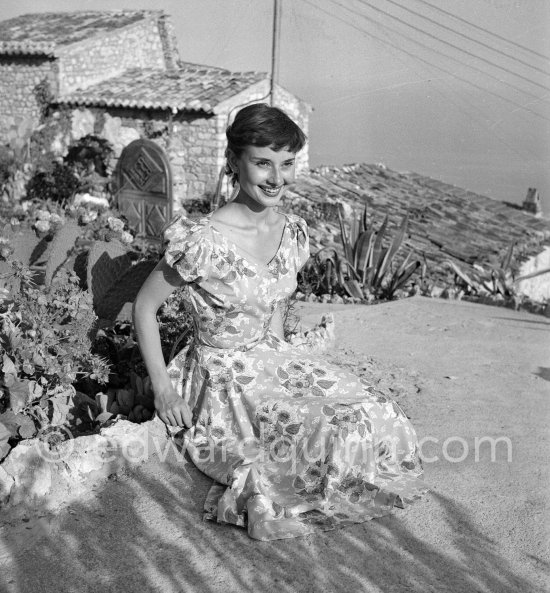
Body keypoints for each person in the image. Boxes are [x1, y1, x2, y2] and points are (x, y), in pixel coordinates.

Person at [133, 103, 427, 541]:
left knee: (374, 408)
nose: (277, 178)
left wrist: (294, 368)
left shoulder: (291, 232)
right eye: (263, 163)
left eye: (286, 164)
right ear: (234, 162)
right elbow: (144, 307)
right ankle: (261, 506)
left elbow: (271, 316)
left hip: (272, 358)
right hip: (223, 376)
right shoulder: (204, 241)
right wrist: (163, 388)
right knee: (323, 426)